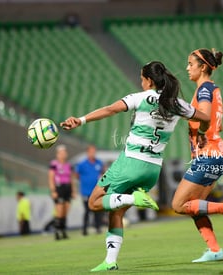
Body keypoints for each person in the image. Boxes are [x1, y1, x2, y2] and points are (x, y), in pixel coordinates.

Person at [61, 61, 210, 271]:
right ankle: (110, 261)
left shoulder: (140, 98)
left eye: (142, 78)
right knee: (116, 211)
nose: (140, 82)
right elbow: (205, 118)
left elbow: (111, 109)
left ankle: (135, 199)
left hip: (131, 162)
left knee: (94, 202)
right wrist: (201, 133)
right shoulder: (176, 103)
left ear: (149, 81)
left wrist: (81, 120)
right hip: (152, 169)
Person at [171, 48, 223, 263]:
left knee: (179, 205)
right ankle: (215, 250)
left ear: (202, 67)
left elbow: (206, 117)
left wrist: (200, 132)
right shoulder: (212, 89)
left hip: (208, 156)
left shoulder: (204, 90)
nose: (187, 68)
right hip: (218, 154)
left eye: (191, 64)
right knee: (196, 205)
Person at [76, 145, 105, 236]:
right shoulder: (82, 164)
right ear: (87, 153)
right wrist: (84, 181)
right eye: (91, 152)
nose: (93, 153)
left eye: (94, 152)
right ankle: (84, 229)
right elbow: (76, 174)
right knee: (87, 211)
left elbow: (103, 172)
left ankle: (98, 227)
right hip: (86, 191)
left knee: (98, 210)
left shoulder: (99, 163)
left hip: (96, 191)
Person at [49, 145, 76, 240]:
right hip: (59, 188)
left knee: (65, 211)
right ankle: (57, 231)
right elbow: (51, 178)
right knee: (59, 210)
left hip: (67, 188)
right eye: (61, 153)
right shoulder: (54, 164)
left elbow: (71, 179)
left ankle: (63, 231)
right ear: (57, 154)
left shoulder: (68, 165)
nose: (63, 155)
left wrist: (73, 191)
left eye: (64, 153)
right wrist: (53, 191)